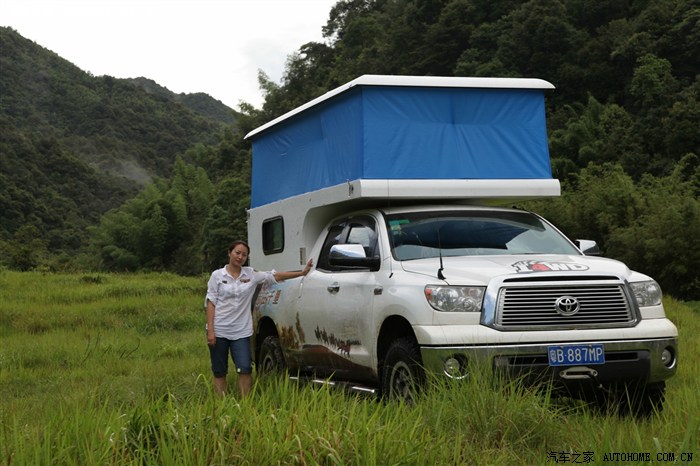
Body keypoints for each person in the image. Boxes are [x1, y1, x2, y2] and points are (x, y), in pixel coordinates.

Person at [205, 240, 313, 397]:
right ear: (229, 253)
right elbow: (211, 302)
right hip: (219, 330)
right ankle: (220, 404)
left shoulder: (251, 274)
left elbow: (274, 276)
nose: (240, 257)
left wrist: (302, 273)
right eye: (237, 253)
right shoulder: (217, 276)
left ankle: (246, 403)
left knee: (245, 368)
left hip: (241, 331)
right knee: (219, 370)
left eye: (244, 255)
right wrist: (211, 331)